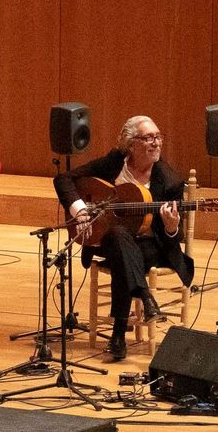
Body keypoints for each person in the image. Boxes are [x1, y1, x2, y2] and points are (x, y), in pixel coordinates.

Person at [55, 115, 193, 362]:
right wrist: (81, 211)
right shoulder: (114, 163)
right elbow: (63, 179)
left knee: (122, 250)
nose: (156, 143)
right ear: (131, 144)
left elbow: (172, 239)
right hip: (108, 241)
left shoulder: (169, 180)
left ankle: (118, 335)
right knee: (118, 236)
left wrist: (172, 227)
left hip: (152, 247)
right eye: (148, 138)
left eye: (158, 137)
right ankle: (144, 296)